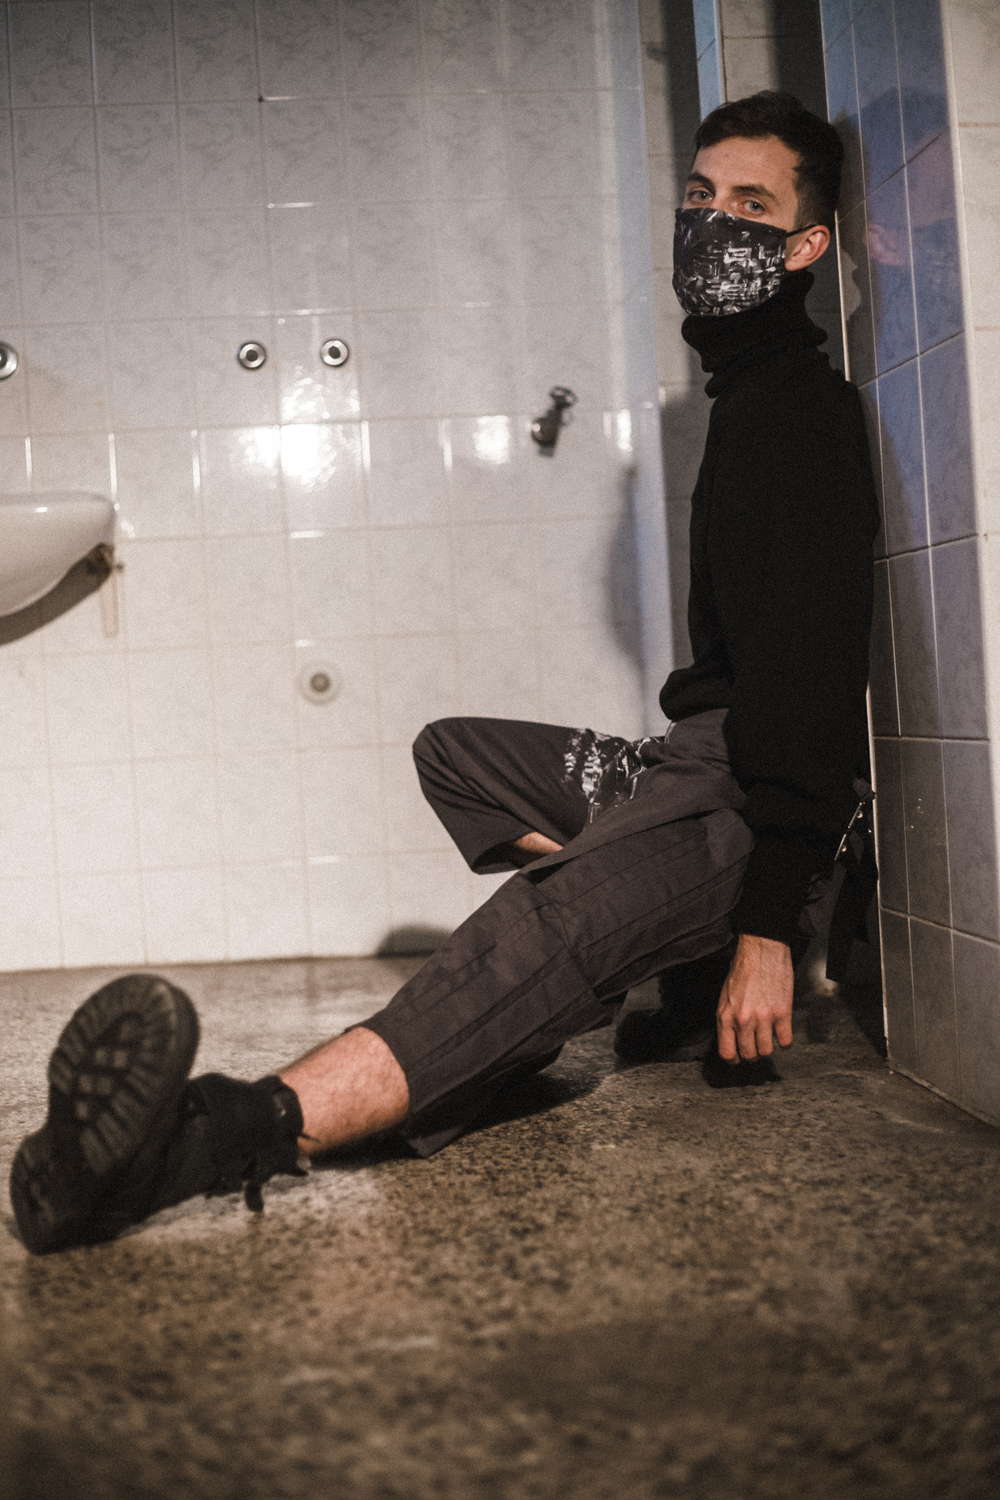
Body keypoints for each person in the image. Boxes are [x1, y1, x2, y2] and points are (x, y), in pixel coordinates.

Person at [9, 92, 879, 1256]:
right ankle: (624, 949)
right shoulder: (746, 400)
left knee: (545, 925)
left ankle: (192, 1142)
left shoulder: (801, 420)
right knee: (455, 754)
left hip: (751, 801)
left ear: (804, 246)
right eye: (698, 195)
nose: (711, 222)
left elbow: (810, 697)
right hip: (689, 763)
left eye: (749, 206)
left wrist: (769, 921)